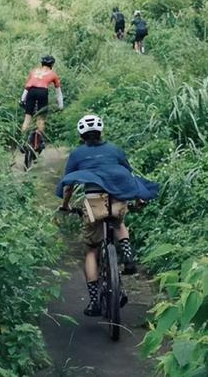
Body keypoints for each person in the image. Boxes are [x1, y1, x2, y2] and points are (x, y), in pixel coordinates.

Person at [57, 114, 159, 317]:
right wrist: (139, 198)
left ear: (81, 135)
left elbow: (68, 185)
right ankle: (128, 257)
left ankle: (94, 301)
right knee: (119, 223)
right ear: (101, 132)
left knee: (92, 251)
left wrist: (66, 205)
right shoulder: (115, 150)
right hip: (117, 197)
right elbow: (129, 176)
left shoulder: (77, 154)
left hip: (94, 201)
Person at [20, 55, 63, 141]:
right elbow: (58, 92)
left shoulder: (33, 71)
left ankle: (22, 141)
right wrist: (60, 105)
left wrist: (22, 99)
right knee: (41, 118)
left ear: (41, 63)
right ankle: (38, 141)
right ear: (52, 65)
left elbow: (27, 87)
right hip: (42, 92)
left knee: (27, 118)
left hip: (31, 91)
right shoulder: (53, 74)